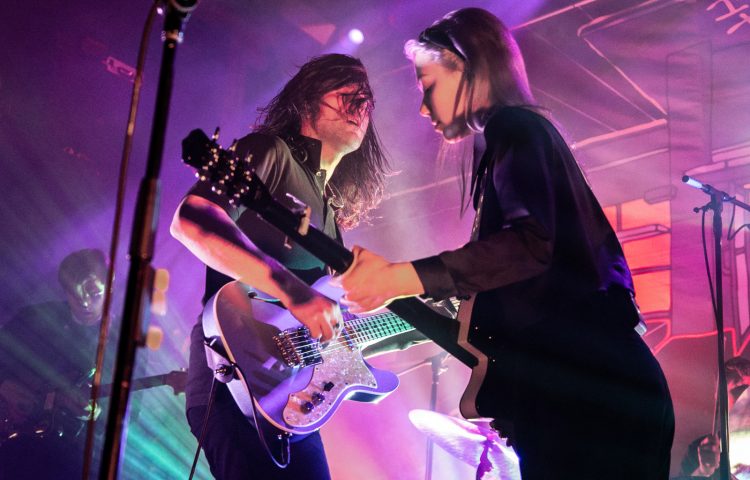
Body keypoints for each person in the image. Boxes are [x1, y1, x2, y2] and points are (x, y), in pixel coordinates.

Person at [336, 8, 674, 480]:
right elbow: (519, 277)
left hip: (595, 398)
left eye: (427, 85)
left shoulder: (513, 127)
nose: (423, 107)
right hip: (598, 392)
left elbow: (528, 246)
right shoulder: (515, 137)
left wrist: (400, 276)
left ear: (466, 67)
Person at [171, 53, 423, 480]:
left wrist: (421, 324)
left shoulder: (329, 214)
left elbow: (329, 331)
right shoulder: (270, 151)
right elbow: (190, 220)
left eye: (366, 100)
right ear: (307, 99)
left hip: (293, 399)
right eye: (345, 94)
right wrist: (292, 290)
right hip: (233, 377)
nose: (359, 106)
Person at [0, 248, 109, 479]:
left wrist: (98, 414)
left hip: (68, 460)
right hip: (11, 451)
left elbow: (130, 413)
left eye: (94, 294)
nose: (85, 303)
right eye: (75, 295)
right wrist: (4, 384)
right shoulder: (33, 318)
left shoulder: (122, 342)